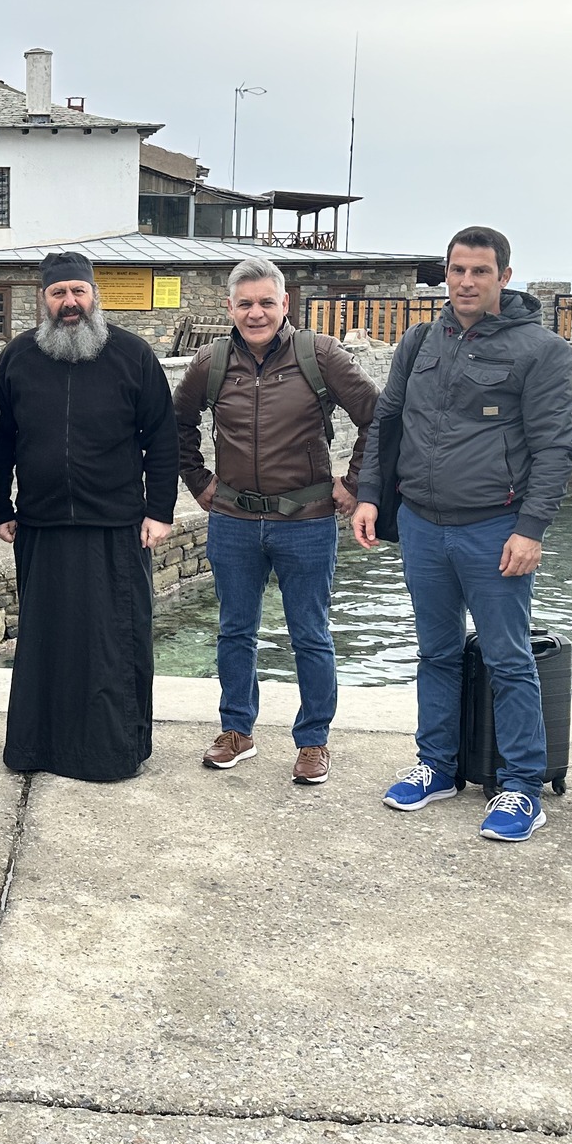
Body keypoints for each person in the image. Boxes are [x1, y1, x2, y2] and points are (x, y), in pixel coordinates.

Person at [351, 226, 572, 843]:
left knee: (508, 658)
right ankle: (437, 766)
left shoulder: (542, 351)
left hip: (494, 528)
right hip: (422, 524)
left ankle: (522, 786)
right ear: (445, 274)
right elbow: (387, 422)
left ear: (505, 276)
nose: (466, 282)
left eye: (480, 271)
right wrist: (371, 495)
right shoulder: (420, 340)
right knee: (436, 652)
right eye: (457, 270)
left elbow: (555, 448)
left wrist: (530, 530)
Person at [175, 257, 377, 785]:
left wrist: (354, 483)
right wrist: (198, 481)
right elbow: (175, 424)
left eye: (267, 302)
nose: (256, 313)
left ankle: (313, 740)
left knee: (310, 634)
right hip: (233, 521)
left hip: (306, 520)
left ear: (285, 303)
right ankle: (236, 731)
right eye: (245, 304)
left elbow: (377, 418)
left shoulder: (321, 355)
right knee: (234, 630)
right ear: (230, 308)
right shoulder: (211, 362)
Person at [0, 251, 178, 782]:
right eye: (58, 293)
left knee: (114, 643)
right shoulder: (19, 356)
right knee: (45, 646)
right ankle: (39, 747)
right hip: (41, 524)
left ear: (94, 295)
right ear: (42, 299)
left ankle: (111, 751)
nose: (69, 302)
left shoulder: (133, 354)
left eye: (78, 291)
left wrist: (159, 511)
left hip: (116, 524)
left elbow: (163, 439)